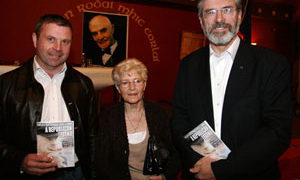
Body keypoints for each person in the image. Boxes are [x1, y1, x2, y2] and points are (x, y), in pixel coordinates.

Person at [171, 0, 293, 180]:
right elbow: (179, 121)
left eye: (226, 9)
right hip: (198, 172)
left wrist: (221, 170)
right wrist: (199, 163)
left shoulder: (271, 64)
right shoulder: (188, 65)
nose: (219, 19)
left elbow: (276, 131)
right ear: (201, 20)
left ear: (239, 15)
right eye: (210, 12)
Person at [0, 14, 98, 179]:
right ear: (35, 39)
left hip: (74, 173)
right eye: (51, 39)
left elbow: (93, 138)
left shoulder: (83, 85)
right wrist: (19, 160)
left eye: (65, 41)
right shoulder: (6, 84)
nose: (58, 47)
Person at [96, 58, 180, 180]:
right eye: (125, 83)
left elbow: (175, 152)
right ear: (118, 88)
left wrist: (164, 176)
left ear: (144, 84)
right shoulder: (109, 117)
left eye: (137, 81)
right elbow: (102, 162)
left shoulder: (158, 113)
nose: (132, 87)